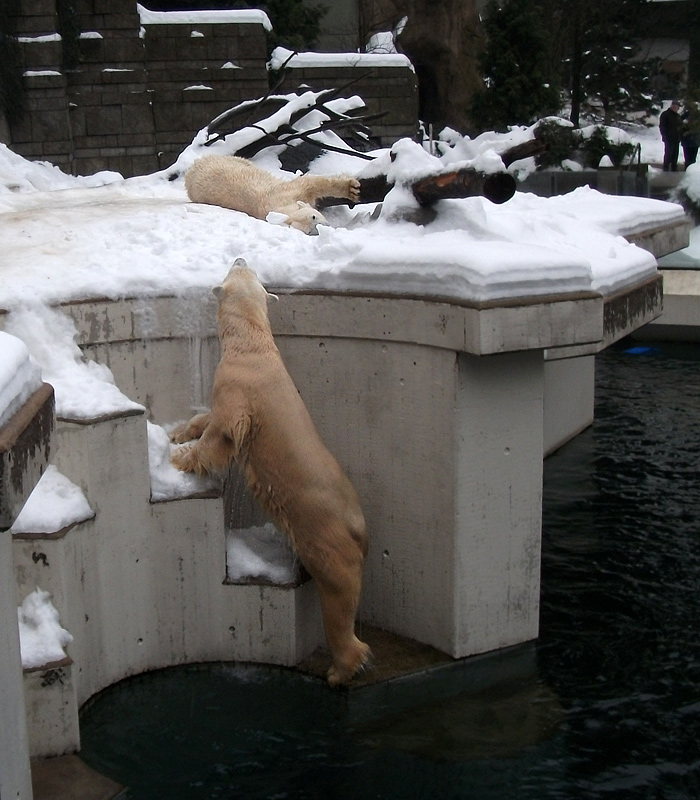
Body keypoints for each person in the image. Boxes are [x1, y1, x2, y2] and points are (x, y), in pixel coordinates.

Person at [659, 101, 683, 171]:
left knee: (675, 153)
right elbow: (662, 126)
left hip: (676, 137)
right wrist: (664, 135)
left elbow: (680, 125)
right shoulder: (665, 114)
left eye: (678, 107)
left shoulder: (677, 116)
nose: (677, 108)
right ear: (672, 106)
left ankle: (674, 166)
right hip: (668, 137)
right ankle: (666, 166)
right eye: (676, 106)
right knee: (668, 152)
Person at [682, 102, 700, 168]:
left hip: (694, 139)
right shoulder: (686, 115)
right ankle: (688, 168)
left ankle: (689, 168)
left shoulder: (697, 116)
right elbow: (679, 124)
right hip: (688, 139)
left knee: (691, 157)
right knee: (689, 157)